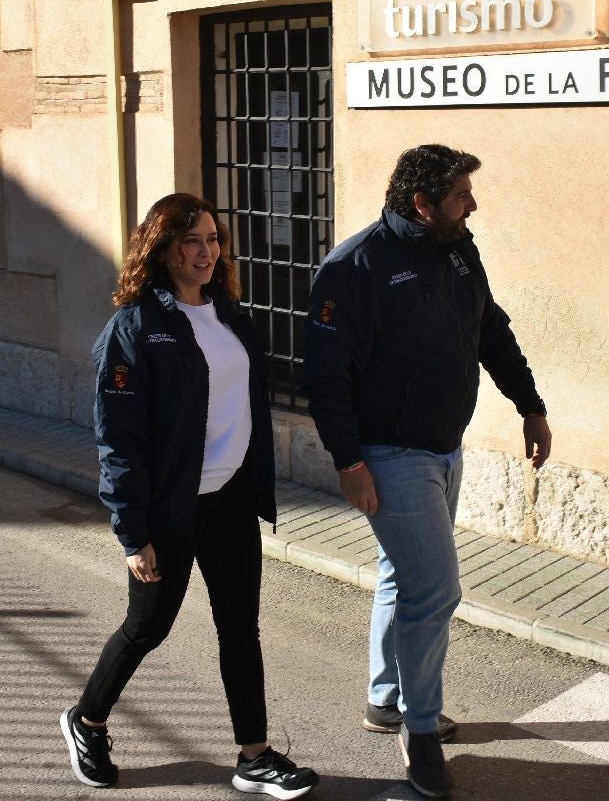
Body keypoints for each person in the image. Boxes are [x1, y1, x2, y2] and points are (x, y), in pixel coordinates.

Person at [302, 145, 551, 799]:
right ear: (422, 203)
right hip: (389, 453)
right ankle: (420, 738)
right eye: (461, 195)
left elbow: (489, 330)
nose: (473, 204)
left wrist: (530, 405)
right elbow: (326, 379)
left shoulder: (457, 250)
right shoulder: (353, 269)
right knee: (435, 591)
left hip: (444, 447)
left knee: (402, 576)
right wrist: (348, 460)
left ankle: (387, 700)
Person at [60, 193, 318, 798]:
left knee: (240, 628)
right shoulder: (135, 328)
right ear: (163, 249)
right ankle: (87, 719)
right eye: (192, 241)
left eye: (213, 239)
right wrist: (132, 530)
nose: (207, 252)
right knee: (148, 628)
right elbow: (118, 437)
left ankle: (253, 755)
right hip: (170, 508)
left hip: (230, 498)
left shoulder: (231, 316)